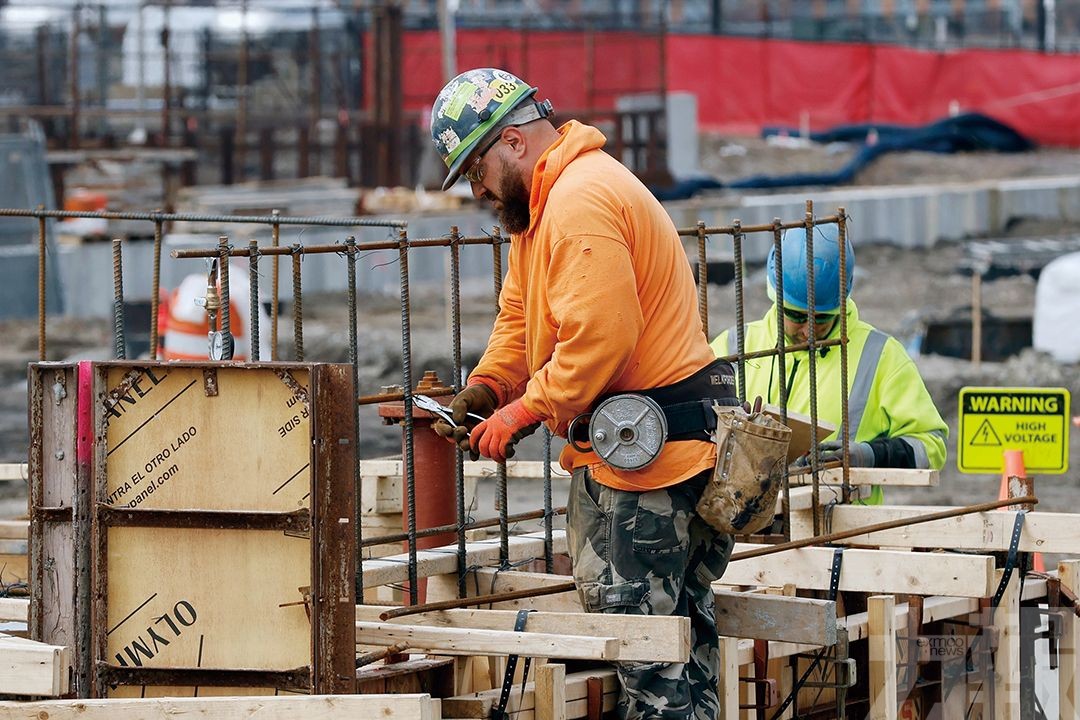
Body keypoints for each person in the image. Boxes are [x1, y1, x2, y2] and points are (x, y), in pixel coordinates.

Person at [429, 68, 737, 719]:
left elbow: (602, 340)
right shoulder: (543, 210)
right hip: (654, 453)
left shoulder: (579, 202)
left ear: (512, 141)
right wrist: (489, 385)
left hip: (649, 469)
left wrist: (526, 408)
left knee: (645, 646)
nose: (479, 192)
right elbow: (520, 319)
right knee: (680, 642)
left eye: (477, 172)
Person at [710, 225, 947, 503]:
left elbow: (931, 448)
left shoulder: (881, 356)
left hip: (842, 532)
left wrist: (869, 454)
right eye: (797, 316)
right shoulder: (733, 347)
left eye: (822, 319)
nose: (809, 331)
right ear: (774, 296)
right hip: (742, 529)